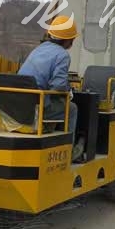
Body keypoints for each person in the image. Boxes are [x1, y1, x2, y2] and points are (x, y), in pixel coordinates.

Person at [18, 15, 85, 160]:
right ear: (68, 40)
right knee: (72, 108)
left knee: (55, 102)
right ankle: (68, 152)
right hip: (36, 105)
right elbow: (58, 86)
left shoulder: (39, 49)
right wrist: (68, 91)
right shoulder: (62, 55)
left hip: (19, 102)